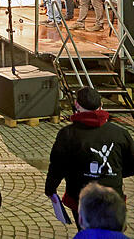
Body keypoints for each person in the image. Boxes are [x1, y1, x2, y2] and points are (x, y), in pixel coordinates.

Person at [45, 87, 134, 227]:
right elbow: (131, 165)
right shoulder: (120, 133)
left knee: (86, 231)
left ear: (77, 105)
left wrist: (50, 188)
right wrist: (111, 173)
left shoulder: (67, 134)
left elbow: (57, 167)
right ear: (101, 105)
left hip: (80, 197)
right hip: (113, 196)